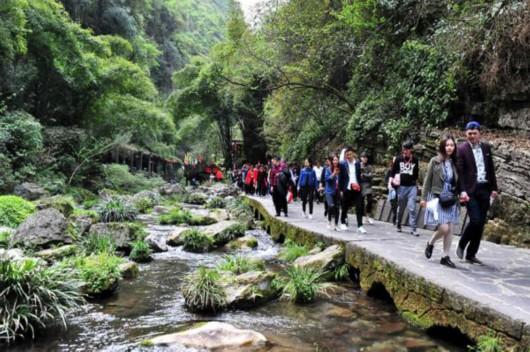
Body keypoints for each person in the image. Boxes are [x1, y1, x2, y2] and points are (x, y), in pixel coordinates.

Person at [456, 121, 498, 264]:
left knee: (480, 224)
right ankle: (462, 243)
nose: (472, 136)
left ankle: (471, 254)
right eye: (469, 133)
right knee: (475, 220)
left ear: (479, 133)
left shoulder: (486, 147)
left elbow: (490, 169)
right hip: (470, 191)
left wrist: (494, 188)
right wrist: (461, 191)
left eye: (474, 133)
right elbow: (460, 173)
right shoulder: (461, 149)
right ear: (466, 134)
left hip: (484, 189)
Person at [421, 135, 461, 268]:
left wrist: (460, 193)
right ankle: (431, 242)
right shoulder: (435, 161)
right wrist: (423, 198)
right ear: (443, 146)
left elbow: (458, 180)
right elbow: (427, 180)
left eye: (452, 145)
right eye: (447, 145)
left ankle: (445, 256)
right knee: (443, 228)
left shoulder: (455, 162)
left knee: (450, 229)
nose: (449, 147)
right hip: (438, 196)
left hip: (451, 197)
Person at [391, 140, 420, 236]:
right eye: (404, 149)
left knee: (412, 208)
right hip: (401, 187)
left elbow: (416, 174)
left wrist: (416, 185)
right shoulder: (398, 159)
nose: (405, 151)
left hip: (412, 187)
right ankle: (398, 223)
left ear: (411, 149)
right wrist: (391, 184)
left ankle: (414, 229)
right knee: (401, 208)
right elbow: (393, 172)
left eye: (407, 149)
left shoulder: (415, 160)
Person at [339, 147, 366, 234]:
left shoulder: (357, 163)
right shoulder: (343, 164)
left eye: (350, 154)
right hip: (347, 188)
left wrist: (360, 185)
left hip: (357, 188)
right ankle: (343, 222)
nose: (349, 156)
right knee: (345, 206)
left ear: (353, 154)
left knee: (359, 207)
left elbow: (359, 176)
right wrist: (341, 190)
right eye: (347, 155)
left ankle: (360, 225)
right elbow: (341, 178)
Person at [324, 155, 341, 230]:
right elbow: (327, 179)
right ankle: (329, 221)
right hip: (329, 191)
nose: (335, 161)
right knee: (331, 206)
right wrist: (334, 173)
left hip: (337, 191)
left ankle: (336, 225)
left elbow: (344, 179)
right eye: (334, 160)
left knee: (337, 208)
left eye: (336, 160)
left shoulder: (341, 169)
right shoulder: (328, 169)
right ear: (332, 161)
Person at [360, 152, 375, 225]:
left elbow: (371, 175)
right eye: (363, 157)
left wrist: (364, 175)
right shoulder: (358, 165)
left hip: (368, 185)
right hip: (360, 185)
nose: (365, 158)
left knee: (370, 200)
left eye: (366, 157)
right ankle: (363, 217)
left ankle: (368, 216)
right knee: (361, 202)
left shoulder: (369, 167)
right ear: (361, 158)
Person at [384, 157, 398, 225]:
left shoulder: (400, 171)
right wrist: (390, 185)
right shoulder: (390, 170)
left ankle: (396, 218)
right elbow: (386, 179)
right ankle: (395, 217)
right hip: (392, 189)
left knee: (397, 203)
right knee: (393, 203)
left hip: (399, 189)